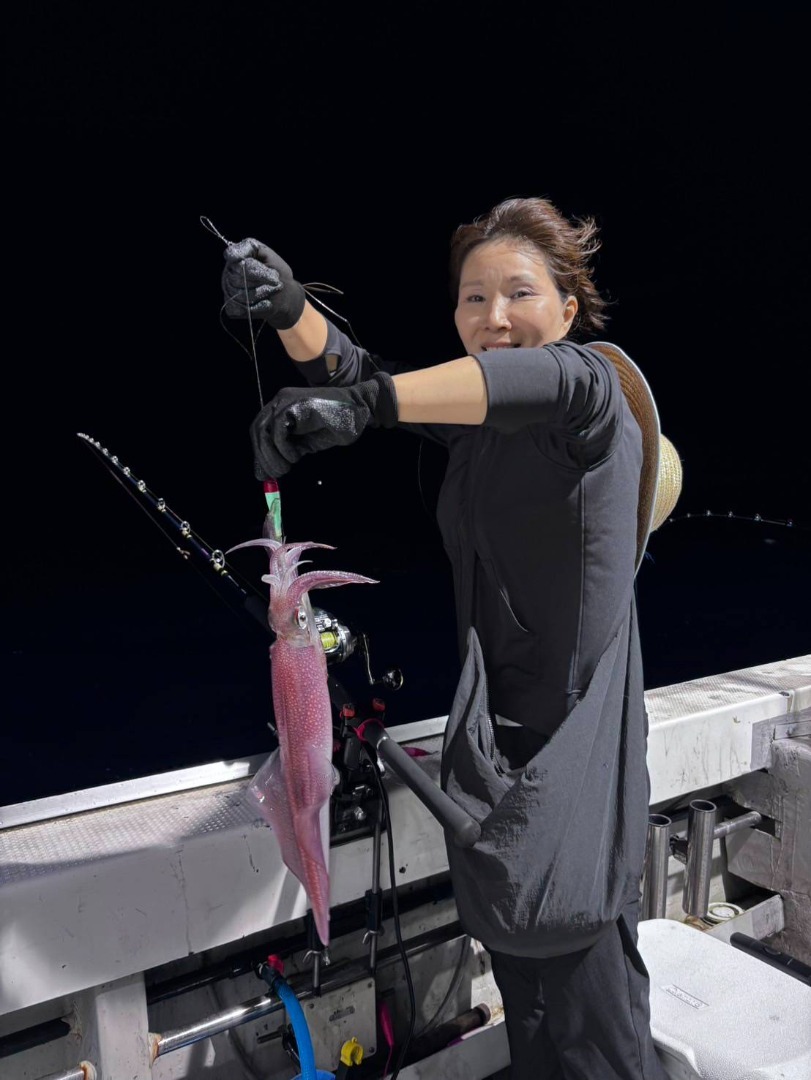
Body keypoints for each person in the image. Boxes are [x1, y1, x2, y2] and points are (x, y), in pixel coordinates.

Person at [220, 196, 682, 1080]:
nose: (492, 316)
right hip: (494, 764)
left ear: (567, 311)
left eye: (518, 293)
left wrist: (367, 406)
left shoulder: (590, 393)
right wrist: (289, 309)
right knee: (531, 1021)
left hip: (575, 771)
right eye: (473, 298)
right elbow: (360, 369)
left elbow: (463, 388)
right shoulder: (476, 426)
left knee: (598, 1036)